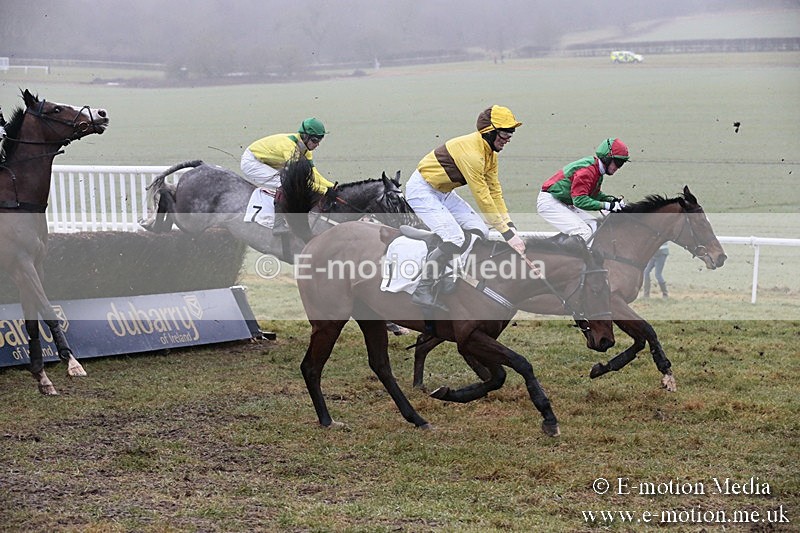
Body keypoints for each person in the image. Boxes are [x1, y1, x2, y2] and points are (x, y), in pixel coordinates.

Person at [405, 105, 525, 312]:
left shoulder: (490, 153)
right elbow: (483, 196)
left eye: (511, 132)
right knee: (455, 238)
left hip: (444, 193)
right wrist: (507, 234)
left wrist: (509, 225)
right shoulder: (473, 155)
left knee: (481, 230)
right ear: (489, 131)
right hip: (422, 191)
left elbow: (495, 190)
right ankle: (423, 289)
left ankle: (449, 276)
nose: (509, 137)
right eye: (505, 132)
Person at [240, 117, 334, 233]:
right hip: (252, 162)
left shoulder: (305, 150)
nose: (317, 144)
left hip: (268, 161)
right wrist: (324, 190)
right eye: (315, 140)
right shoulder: (290, 147)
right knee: (288, 184)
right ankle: (278, 224)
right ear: (305, 136)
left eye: (320, 140)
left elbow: (314, 174)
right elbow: (298, 182)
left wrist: (331, 187)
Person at [537, 137, 630, 246]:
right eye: (618, 162)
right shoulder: (588, 171)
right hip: (550, 202)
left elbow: (593, 194)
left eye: (622, 163)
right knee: (583, 232)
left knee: (595, 227)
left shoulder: (596, 170)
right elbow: (580, 201)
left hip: (563, 201)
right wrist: (607, 206)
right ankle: (566, 262)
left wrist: (611, 200)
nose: (618, 167)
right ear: (607, 158)